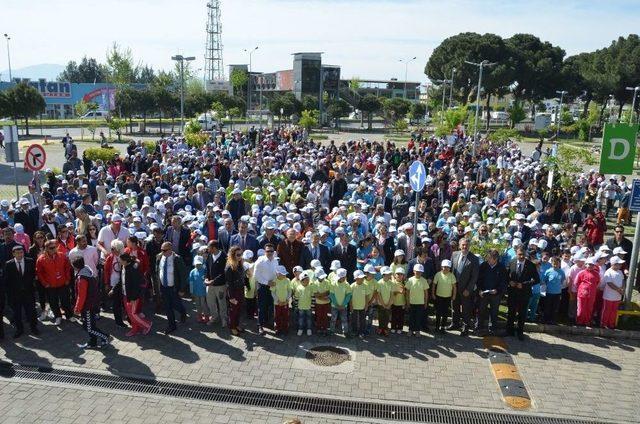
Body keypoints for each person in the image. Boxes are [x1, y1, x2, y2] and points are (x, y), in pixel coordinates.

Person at [72, 256, 110, 349]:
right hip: (92, 304)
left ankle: (104, 337)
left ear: (75, 267)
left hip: (88, 306)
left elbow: (82, 296)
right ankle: (92, 342)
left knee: (88, 327)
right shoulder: (87, 271)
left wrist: (77, 308)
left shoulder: (82, 278)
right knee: (90, 325)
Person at [4, 245, 39, 338]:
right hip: (16, 294)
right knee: (17, 313)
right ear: (13, 254)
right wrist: (9, 295)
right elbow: (7, 280)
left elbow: (33, 275)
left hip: (28, 292)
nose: (20, 255)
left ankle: (33, 327)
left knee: (31, 311)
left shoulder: (30, 261)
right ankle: (19, 329)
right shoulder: (9, 264)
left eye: (21, 252)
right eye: (18, 253)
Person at [35, 239, 72, 326]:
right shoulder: (41, 259)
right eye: (51, 248)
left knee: (65, 300)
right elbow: (39, 273)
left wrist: (67, 279)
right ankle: (58, 316)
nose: (54, 249)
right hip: (50, 285)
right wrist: (45, 283)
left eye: (55, 247)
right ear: (46, 249)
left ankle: (69, 315)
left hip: (63, 283)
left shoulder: (62, 256)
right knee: (53, 302)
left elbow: (67, 267)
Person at [506, 246, 539, 340]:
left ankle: (520, 332)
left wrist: (524, 285)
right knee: (511, 312)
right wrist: (509, 281)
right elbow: (506, 275)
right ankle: (509, 330)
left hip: (524, 293)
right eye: (519, 254)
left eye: (523, 255)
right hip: (512, 293)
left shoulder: (531, 265)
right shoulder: (512, 262)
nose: (521, 256)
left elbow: (536, 280)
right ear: (516, 253)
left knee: (522, 313)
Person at [156, 241, 188, 335]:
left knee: (176, 304)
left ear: (170, 250)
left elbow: (183, 275)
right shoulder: (159, 257)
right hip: (164, 287)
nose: (162, 252)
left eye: (164, 250)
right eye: (161, 250)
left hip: (173, 288)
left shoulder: (177, 259)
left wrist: (182, 289)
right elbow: (158, 269)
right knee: (167, 307)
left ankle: (182, 311)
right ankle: (172, 325)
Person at [449, 238, 479, 335]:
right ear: (459, 245)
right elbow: (451, 270)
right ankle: (455, 323)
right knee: (455, 306)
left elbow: (474, 277)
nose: (465, 247)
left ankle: (465, 326)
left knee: (466, 308)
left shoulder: (474, 259)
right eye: (463, 245)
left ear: (469, 246)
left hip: (466, 288)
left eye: (466, 245)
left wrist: (468, 289)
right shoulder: (454, 255)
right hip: (455, 287)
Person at [119, 252, 152, 336]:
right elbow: (122, 280)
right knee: (130, 314)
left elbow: (136, 286)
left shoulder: (133, 269)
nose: (120, 262)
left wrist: (133, 298)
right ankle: (135, 329)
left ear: (126, 261)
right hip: (125, 294)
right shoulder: (124, 266)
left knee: (133, 314)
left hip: (132, 296)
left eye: (121, 260)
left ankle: (147, 325)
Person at [476, 249, 508, 335]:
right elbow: (478, 279)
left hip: (495, 294)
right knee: (481, 311)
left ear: (495, 259)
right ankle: (479, 328)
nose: (488, 260)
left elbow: (504, 282)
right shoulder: (483, 266)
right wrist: (479, 290)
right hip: (483, 293)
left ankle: (492, 328)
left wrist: (497, 290)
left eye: (489, 258)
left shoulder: (501, 268)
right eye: (487, 258)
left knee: (494, 312)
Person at [252, 243, 278, 335]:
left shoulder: (275, 260)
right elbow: (256, 276)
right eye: (268, 251)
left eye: (271, 251)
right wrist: (267, 282)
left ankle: (268, 322)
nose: (270, 253)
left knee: (271, 306)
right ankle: (260, 325)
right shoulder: (260, 261)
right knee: (262, 307)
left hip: (272, 287)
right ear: (264, 251)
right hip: (262, 287)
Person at [103, 239, 127, 328]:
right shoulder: (110, 258)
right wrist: (106, 283)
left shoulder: (124, 257)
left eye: (113, 248)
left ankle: (128, 318)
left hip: (123, 282)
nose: (111, 250)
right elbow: (106, 271)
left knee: (124, 302)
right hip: (113, 283)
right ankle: (118, 321)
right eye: (111, 248)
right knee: (116, 303)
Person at [225, 246, 248, 335]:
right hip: (233, 292)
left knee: (238, 309)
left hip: (240, 290)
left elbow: (242, 277)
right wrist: (231, 297)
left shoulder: (240, 264)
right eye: (238, 255)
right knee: (233, 311)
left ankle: (237, 324)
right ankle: (232, 327)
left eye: (241, 254)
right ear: (232, 255)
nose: (240, 256)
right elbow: (229, 283)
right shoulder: (229, 267)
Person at [205, 240, 227, 327]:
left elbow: (224, 273)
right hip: (209, 285)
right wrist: (206, 279)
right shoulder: (209, 256)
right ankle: (214, 317)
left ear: (214, 248)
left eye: (209, 247)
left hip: (220, 286)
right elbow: (207, 269)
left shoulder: (224, 257)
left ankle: (224, 319)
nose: (207, 249)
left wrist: (214, 281)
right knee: (210, 302)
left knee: (222, 303)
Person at [431, 259, 456, 334]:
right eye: (444, 267)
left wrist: (454, 295)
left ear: (450, 268)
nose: (446, 268)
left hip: (447, 297)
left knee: (445, 313)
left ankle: (442, 327)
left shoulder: (451, 275)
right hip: (439, 296)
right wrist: (433, 294)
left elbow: (454, 287)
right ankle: (437, 327)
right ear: (442, 267)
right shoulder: (438, 274)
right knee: (438, 313)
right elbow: (434, 285)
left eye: (448, 267)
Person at [575, 256, 601, 326]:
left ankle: (587, 321)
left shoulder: (596, 274)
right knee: (581, 309)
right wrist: (582, 290)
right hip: (582, 294)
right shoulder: (581, 273)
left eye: (592, 264)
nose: (590, 266)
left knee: (589, 308)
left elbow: (598, 282)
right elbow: (576, 282)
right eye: (589, 264)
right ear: (586, 264)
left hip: (592, 294)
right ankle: (579, 321)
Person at [600, 256, 625, 329]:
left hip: (617, 296)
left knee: (614, 311)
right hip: (609, 296)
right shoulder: (608, 272)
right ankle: (603, 324)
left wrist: (623, 288)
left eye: (620, 264)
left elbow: (623, 280)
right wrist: (618, 290)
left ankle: (611, 324)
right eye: (619, 264)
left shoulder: (620, 271)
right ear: (613, 264)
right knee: (606, 311)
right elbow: (609, 283)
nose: (620, 265)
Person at [405, 263, 429, 336]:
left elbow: (426, 293)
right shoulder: (410, 280)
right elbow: (407, 292)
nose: (418, 273)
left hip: (420, 303)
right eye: (417, 271)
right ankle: (410, 330)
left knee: (418, 318)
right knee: (411, 317)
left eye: (420, 272)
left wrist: (425, 302)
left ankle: (417, 330)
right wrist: (407, 302)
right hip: (412, 302)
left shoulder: (424, 281)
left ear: (422, 272)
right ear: (413, 271)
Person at [541, 256, 565, 324]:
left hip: (557, 293)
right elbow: (544, 281)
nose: (555, 265)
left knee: (555, 308)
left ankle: (553, 320)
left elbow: (562, 280)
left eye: (557, 263)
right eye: (554, 263)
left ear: (559, 264)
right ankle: (546, 319)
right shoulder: (548, 271)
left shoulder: (561, 272)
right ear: (551, 263)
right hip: (549, 292)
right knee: (547, 307)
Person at [330, 268, 351, 335]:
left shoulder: (347, 285)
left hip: (343, 306)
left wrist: (343, 304)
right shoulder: (333, 284)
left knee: (344, 320)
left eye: (343, 277)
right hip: (334, 306)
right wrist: (336, 304)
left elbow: (348, 295)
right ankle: (331, 331)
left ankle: (346, 332)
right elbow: (332, 295)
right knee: (333, 319)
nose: (340, 279)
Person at [189, 255, 209, 323]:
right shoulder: (192, 272)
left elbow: (207, 280)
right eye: (196, 264)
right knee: (197, 304)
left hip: (203, 292)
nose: (198, 265)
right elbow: (191, 282)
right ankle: (199, 315)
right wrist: (191, 292)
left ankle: (206, 316)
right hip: (196, 292)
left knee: (204, 304)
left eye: (199, 264)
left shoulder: (205, 271)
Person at [376, 267, 394, 336]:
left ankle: (385, 328)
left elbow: (392, 294)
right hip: (381, 304)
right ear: (383, 275)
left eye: (389, 274)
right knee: (381, 316)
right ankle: (380, 328)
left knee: (387, 316)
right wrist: (383, 304)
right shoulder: (379, 283)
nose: (389, 275)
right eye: (387, 274)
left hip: (388, 304)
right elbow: (379, 295)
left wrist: (389, 304)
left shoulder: (391, 283)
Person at [350, 270, 368, 338]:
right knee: (354, 319)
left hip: (362, 306)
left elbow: (366, 296)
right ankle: (354, 331)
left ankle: (361, 332)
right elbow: (350, 297)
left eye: (363, 277)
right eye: (361, 278)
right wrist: (351, 306)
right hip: (354, 307)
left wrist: (366, 305)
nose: (363, 279)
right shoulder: (352, 286)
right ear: (356, 278)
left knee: (362, 320)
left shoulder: (365, 286)